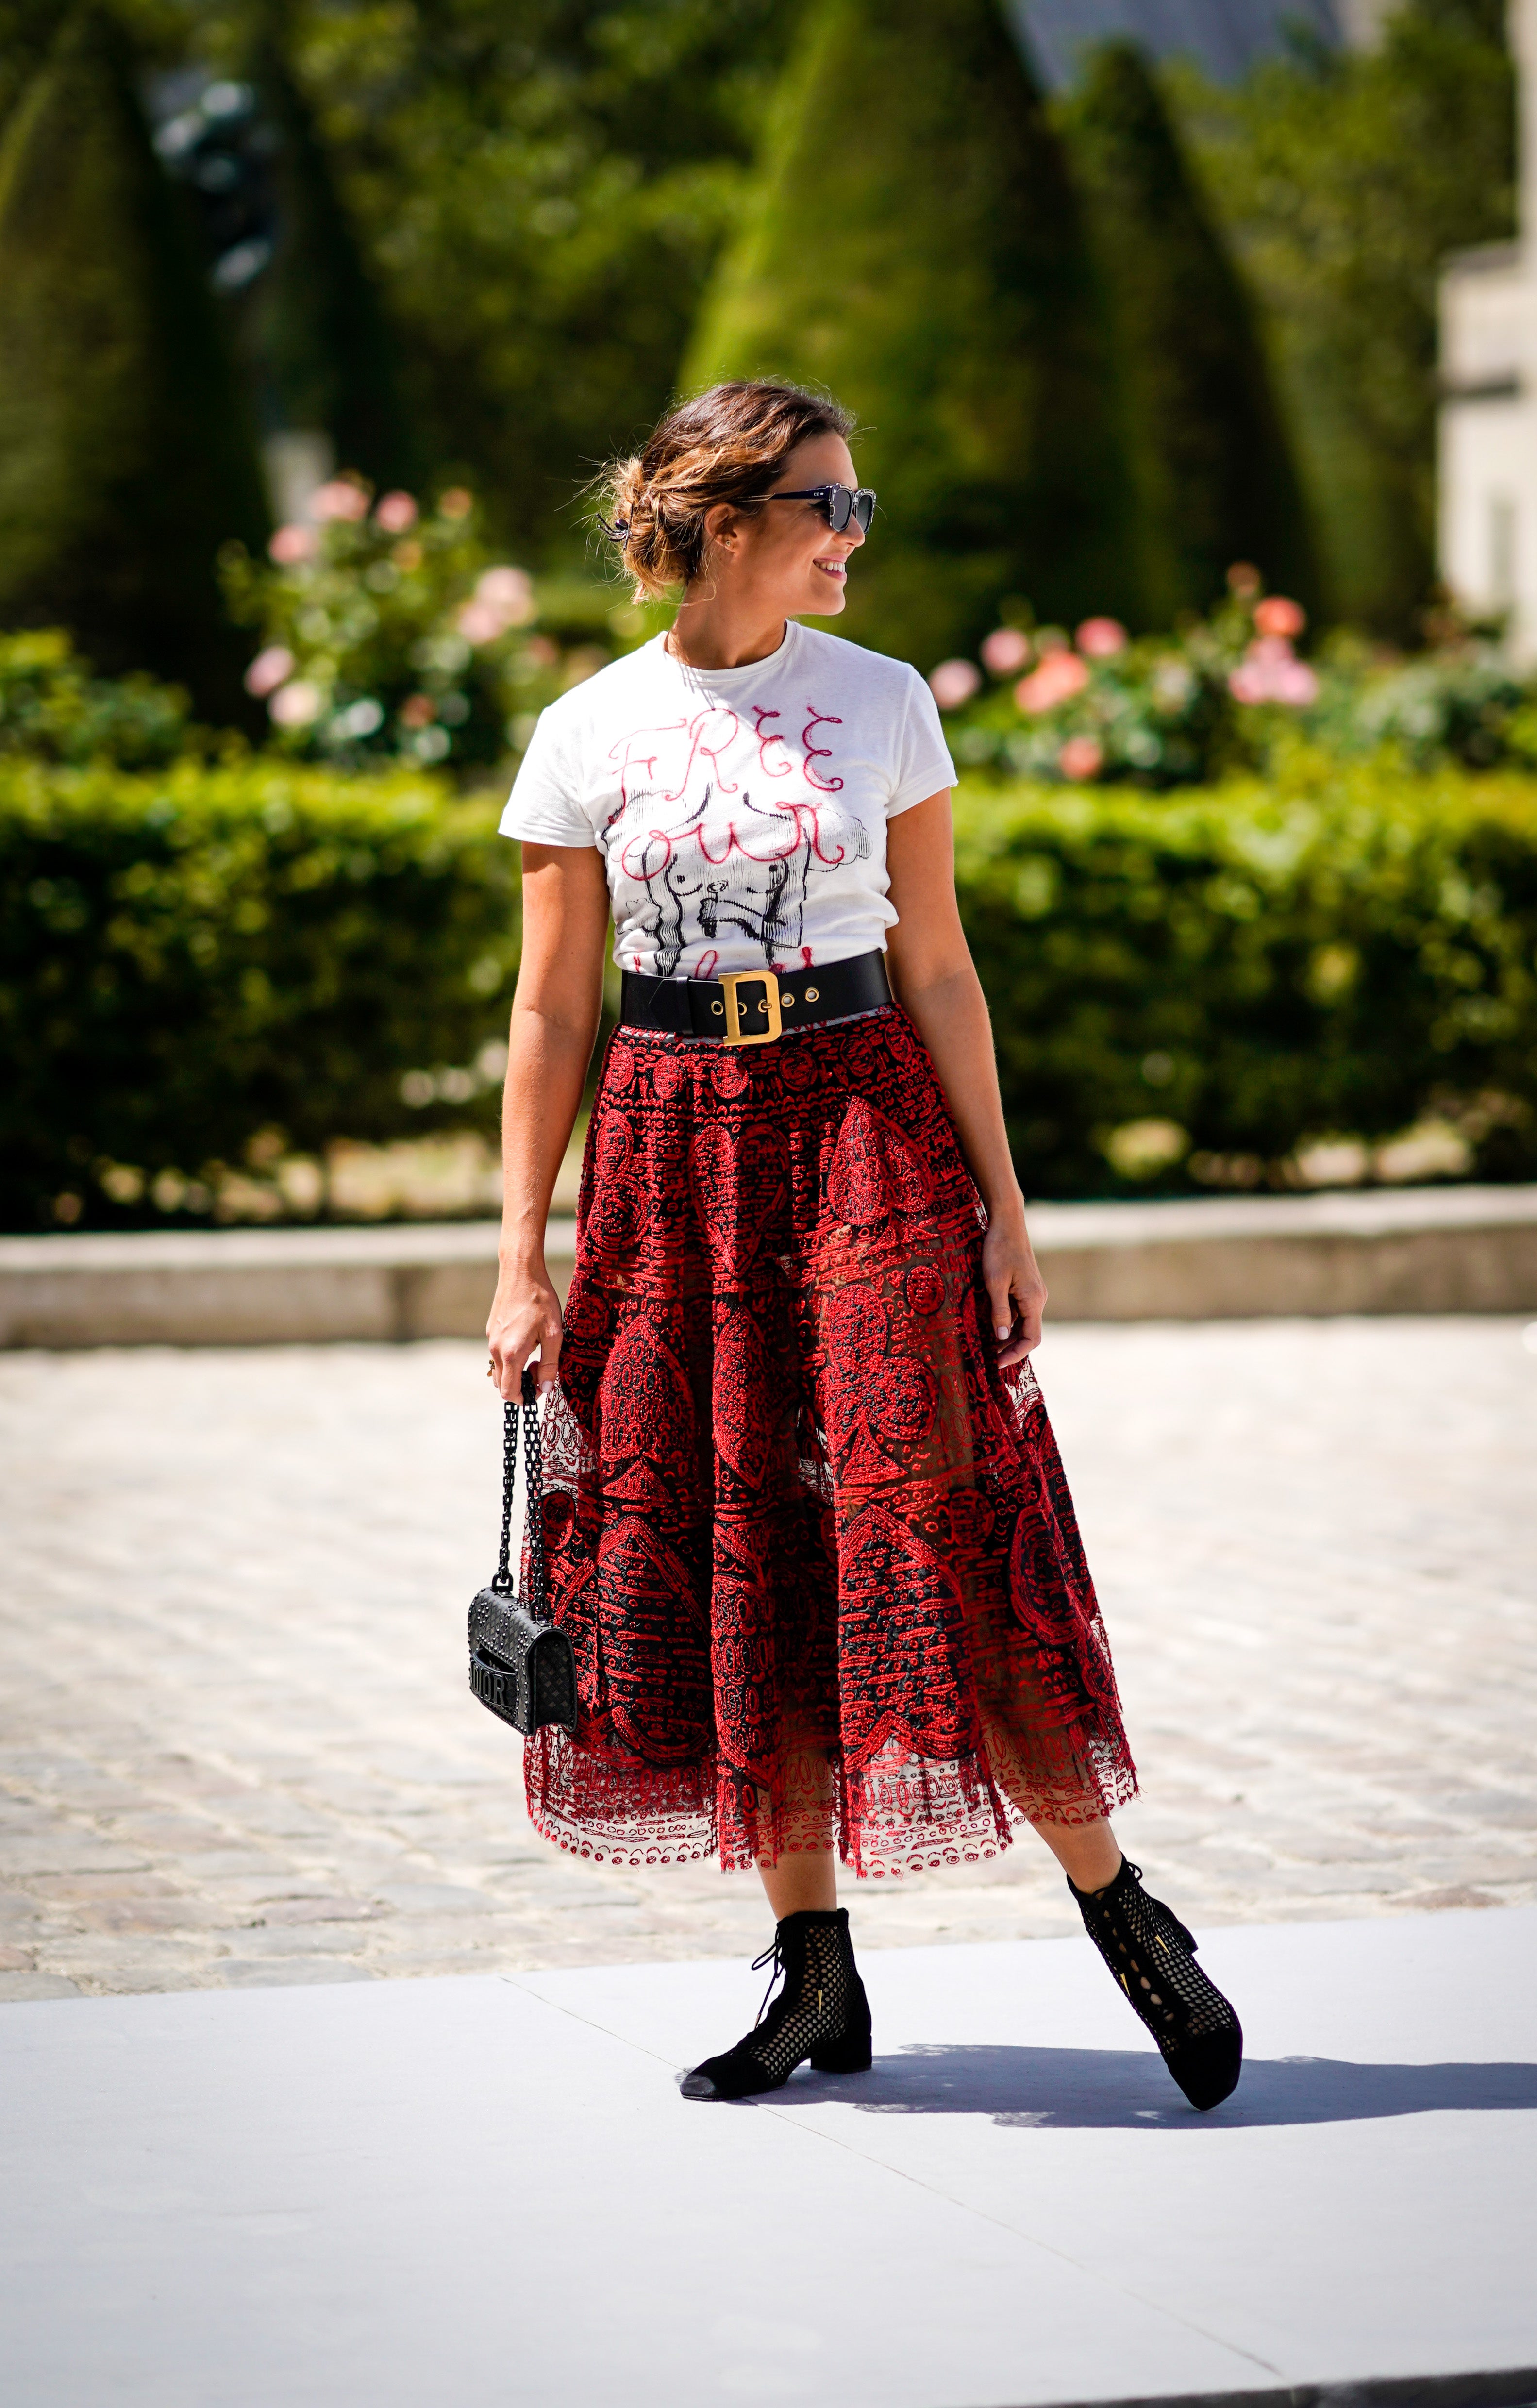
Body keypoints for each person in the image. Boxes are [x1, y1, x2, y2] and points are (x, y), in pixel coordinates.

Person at [486, 379, 1242, 2112]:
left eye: (856, 503)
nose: (853, 533)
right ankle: (812, 1971)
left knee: (944, 1523)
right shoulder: (586, 731)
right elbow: (547, 1008)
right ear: (725, 523)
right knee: (742, 1534)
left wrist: (1002, 1204)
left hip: (860, 1128)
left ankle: (1124, 1915)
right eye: (829, 504)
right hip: (672, 1150)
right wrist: (519, 1257)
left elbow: (943, 968)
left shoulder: (885, 703)